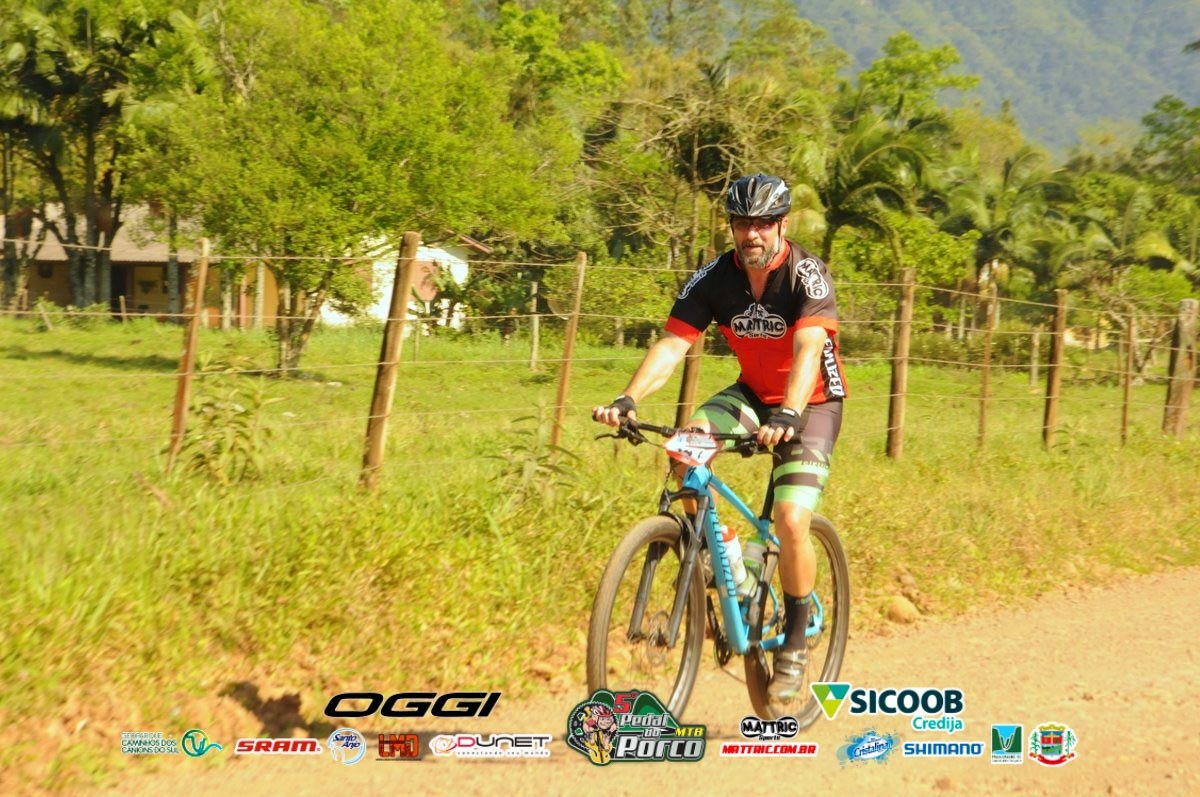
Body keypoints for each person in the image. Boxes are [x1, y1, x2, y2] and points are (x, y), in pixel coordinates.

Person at [592, 173, 847, 707]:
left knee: (790, 520)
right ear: (731, 227)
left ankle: (795, 641)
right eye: (741, 223)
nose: (751, 234)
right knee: (684, 450)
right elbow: (672, 344)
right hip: (753, 394)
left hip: (812, 403)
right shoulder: (713, 278)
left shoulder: (806, 275)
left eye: (762, 224)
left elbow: (807, 350)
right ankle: (714, 559)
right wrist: (628, 398)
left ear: (782, 225)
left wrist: (792, 412)